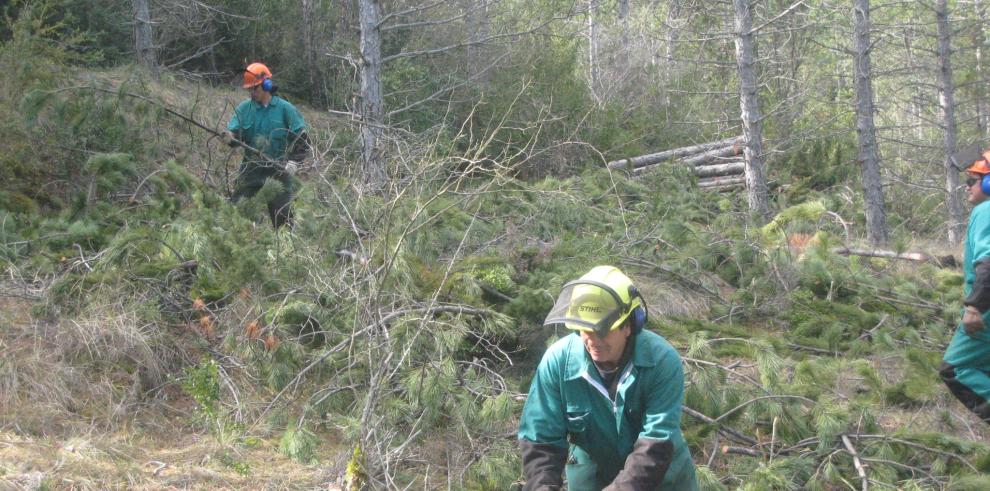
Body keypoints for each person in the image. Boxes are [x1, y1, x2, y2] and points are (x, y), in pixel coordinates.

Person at [518, 266, 698, 491]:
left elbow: (656, 442)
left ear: (630, 325)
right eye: (585, 329)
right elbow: (541, 439)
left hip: (661, 478)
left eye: (602, 330)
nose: (593, 340)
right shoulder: (558, 363)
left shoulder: (661, 361)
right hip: (591, 474)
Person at [226, 62, 309, 228]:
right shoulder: (244, 109)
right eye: (249, 89)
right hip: (251, 170)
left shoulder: (285, 109)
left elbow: (303, 140)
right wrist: (229, 136)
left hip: (278, 171)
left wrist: (293, 161)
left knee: (283, 221)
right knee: (236, 212)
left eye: (254, 89)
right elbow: (234, 135)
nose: (251, 93)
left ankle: (286, 250)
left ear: (266, 84)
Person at [940, 151, 990, 424]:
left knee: (956, 368)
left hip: (986, 310)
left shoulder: (986, 210)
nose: (967, 186)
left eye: (973, 179)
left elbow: (989, 262)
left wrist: (974, 306)